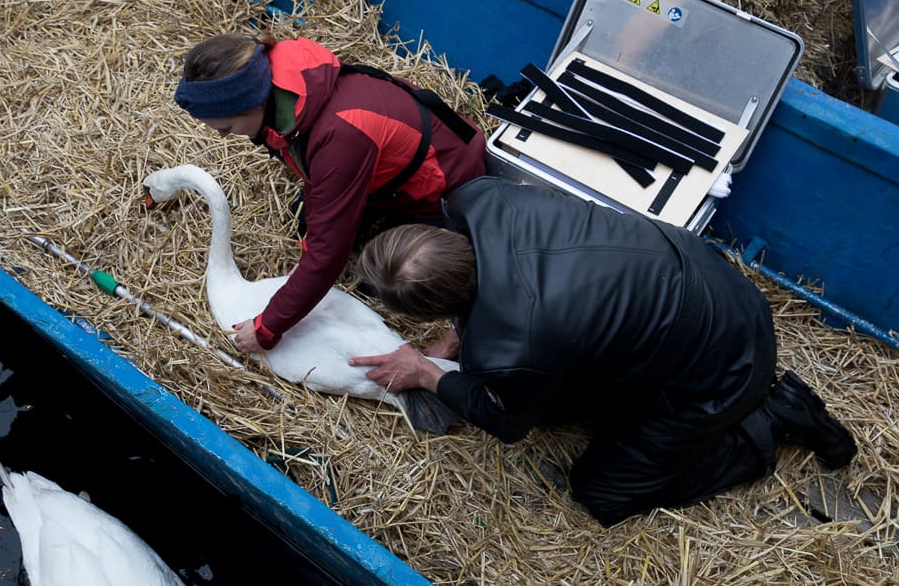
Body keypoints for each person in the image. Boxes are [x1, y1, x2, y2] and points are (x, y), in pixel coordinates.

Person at [348, 175, 857, 527]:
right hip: (714, 289)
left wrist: (427, 371)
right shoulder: (482, 200)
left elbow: (505, 422)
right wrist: (460, 336)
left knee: (603, 491)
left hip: (727, 367)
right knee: (565, 399)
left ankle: (774, 419)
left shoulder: (512, 343)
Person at [173, 32, 488, 353]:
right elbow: (312, 170)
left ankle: (457, 336)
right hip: (386, 174)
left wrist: (268, 328)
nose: (226, 137)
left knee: (382, 282)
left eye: (226, 128)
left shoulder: (339, 136)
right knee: (305, 219)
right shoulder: (281, 86)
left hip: (446, 188)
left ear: (251, 104)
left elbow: (328, 257)